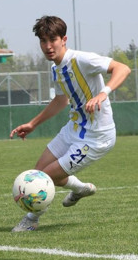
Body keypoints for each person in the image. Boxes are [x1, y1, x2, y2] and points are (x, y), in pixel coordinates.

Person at [9, 15, 130, 232]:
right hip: (73, 130)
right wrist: (33, 124)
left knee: (44, 178)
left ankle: (31, 220)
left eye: (52, 40)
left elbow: (123, 68)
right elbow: (61, 100)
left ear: (64, 39)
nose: (48, 46)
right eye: (43, 41)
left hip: (96, 137)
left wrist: (103, 94)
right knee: (37, 172)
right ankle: (81, 188)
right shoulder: (56, 68)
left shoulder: (82, 59)